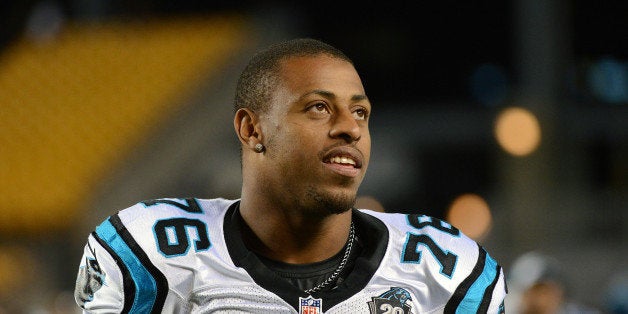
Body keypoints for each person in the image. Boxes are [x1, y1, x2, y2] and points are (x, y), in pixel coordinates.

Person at [74, 38, 507, 313]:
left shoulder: (446, 271)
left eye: (361, 112)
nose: (350, 127)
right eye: (319, 107)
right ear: (252, 129)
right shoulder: (148, 255)